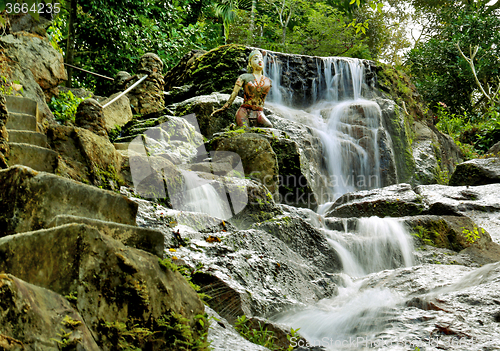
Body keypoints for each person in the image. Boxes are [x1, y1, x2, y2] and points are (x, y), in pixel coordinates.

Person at [211, 49, 273, 128]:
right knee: (244, 130)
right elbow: (234, 93)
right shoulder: (243, 77)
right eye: (255, 58)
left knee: (269, 127)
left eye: (261, 59)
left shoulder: (268, 81)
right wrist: (224, 108)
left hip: (259, 112)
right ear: (250, 64)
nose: (259, 61)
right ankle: (234, 127)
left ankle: (234, 127)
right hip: (244, 111)